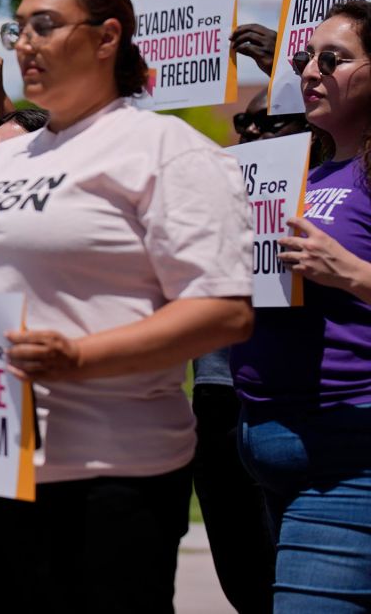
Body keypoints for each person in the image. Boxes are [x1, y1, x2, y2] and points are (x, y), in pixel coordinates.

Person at [0, 0, 253, 612]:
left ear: (108, 38)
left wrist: (79, 357)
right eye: (17, 28)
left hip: (108, 480)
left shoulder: (165, 150)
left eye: (44, 25)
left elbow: (222, 312)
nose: (23, 44)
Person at [232, 0, 371, 612]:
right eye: (305, 58)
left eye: (332, 59)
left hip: (345, 455)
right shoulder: (302, 175)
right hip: (268, 449)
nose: (310, 71)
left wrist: (354, 275)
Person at [191, 70, 304, 614]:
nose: (254, 131)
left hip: (287, 402)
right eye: (245, 122)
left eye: (271, 121)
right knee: (242, 571)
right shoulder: (214, 193)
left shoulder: (319, 192)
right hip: (215, 396)